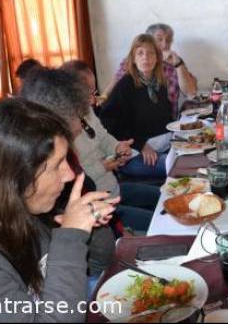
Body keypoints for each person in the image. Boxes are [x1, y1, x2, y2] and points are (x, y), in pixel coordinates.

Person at [0, 98, 119, 321]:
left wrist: (90, 228)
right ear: (14, 177)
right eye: (56, 165)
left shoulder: (34, 212)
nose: (69, 175)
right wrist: (71, 238)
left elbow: (97, 268)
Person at [20, 67, 117, 278]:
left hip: (100, 258)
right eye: (78, 118)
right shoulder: (41, 170)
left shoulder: (62, 153)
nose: (81, 127)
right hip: (84, 273)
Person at [61, 60, 161, 231]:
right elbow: (74, 180)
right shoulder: (63, 128)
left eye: (94, 91)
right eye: (88, 93)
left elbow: (103, 137)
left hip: (115, 189)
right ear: (68, 92)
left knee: (165, 198)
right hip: (102, 207)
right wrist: (104, 167)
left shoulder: (87, 110)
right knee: (160, 223)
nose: (93, 100)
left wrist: (117, 147)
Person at [100, 34, 173, 179]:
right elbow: (109, 121)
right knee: (178, 168)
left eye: (151, 53)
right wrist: (141, 144)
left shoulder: (160, 83)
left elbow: (162, 120)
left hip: (163, 147)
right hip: (134, 155)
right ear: (133, 59)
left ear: (157, 58)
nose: (146, 57)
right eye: (140, 53)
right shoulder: (125, 85)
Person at [100, 23, 197, 118]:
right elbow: (116, 82)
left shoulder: (175, 61)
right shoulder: (135, 62)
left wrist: (178, 64)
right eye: (159, 39)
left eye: (168, 40)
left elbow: (191, 91)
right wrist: (103, 97)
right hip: (139, 124)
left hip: (169, 123)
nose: (164, 44)